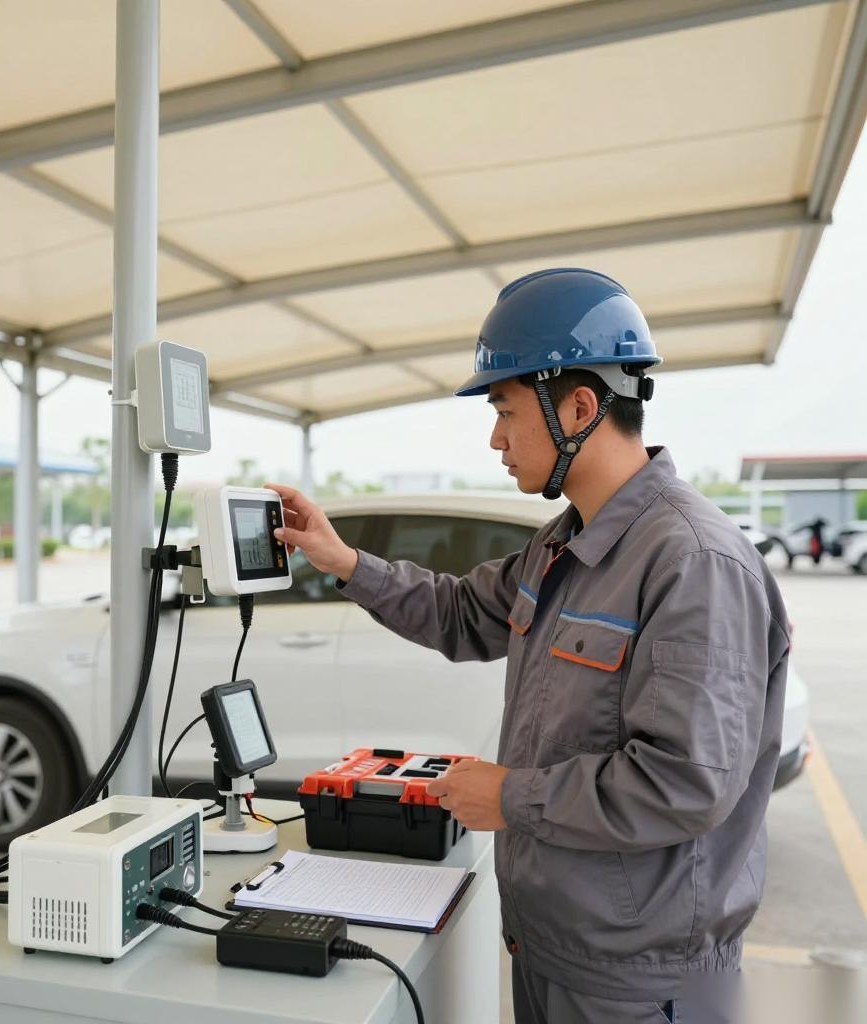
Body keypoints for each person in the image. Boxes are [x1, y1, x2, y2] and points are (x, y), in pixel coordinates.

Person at [267, 268, 790, 1024]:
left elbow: (684, 782)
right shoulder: (562, 545)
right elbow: (457, 612)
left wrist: (507, 795)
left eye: (506, 409)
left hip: (639, 982)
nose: (496, 437)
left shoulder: (691, 562)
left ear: (579, 406)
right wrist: (343, 559)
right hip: (552, 947)